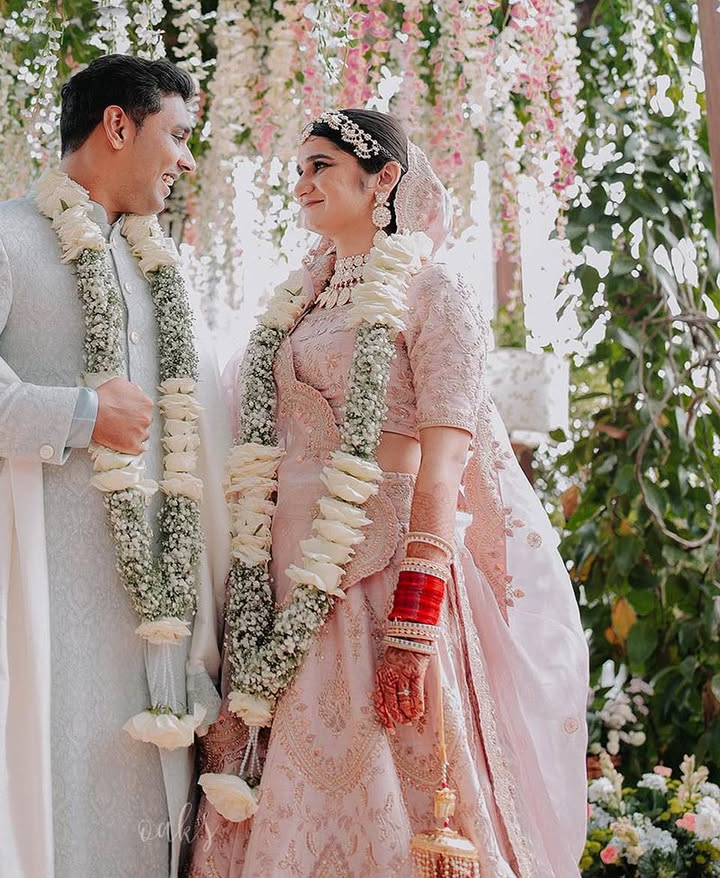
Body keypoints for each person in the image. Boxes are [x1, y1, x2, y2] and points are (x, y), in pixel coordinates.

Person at [189, 109, 588, 878]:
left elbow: (442, 467)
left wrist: (415, 621)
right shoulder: (296, 305)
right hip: (284, 583)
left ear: (385, 179)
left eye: (321, 167)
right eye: (298, 169)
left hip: (384, 578)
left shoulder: (433, 291)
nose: (301, 185)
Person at [0, 55, 230, 878]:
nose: (187, 161)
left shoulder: (161, 271)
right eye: (178, 135)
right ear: (118, 126)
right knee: (37, 816)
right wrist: (79, 415)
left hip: (156, 622)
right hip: (35, 595)